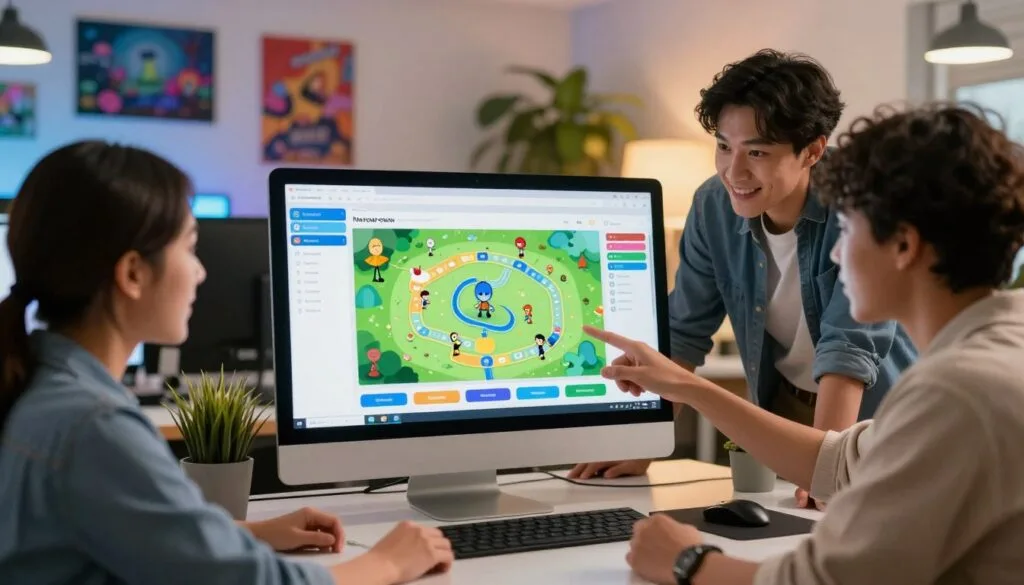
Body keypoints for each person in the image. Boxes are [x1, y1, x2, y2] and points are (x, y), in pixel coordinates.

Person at [585, 103, 1024, 584]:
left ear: (903, 245)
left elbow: (826, 581)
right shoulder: (999, 349)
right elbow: (840, 461)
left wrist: (688, 561)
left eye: (849, 228)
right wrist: (688, 388)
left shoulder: (957, 392)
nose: (835, 251)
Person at [0, 141, 453, 585]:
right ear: (133, 273)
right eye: (190, 246)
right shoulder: (95, 426)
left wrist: (251, 533)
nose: (200, 271)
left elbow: (132, 529)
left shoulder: (44, 386)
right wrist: (390, 562)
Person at [570, 49, 917, 509]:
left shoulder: (862, 209)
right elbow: (684, 331)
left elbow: (847, 353)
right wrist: (643, 446)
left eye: (757, 152)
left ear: (813, 149)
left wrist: (826, 476)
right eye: (724, 146)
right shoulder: (714, 206)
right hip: (786, 406)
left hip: (880, 417)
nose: (735, 172)